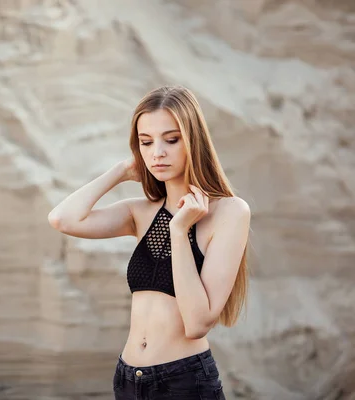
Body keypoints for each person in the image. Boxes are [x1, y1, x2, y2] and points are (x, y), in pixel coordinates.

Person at [47, 85, 251, 400]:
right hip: (128, 380)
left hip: (183, 381)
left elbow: (197, 323)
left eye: (171, 140)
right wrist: (120, 171)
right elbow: (63, 219)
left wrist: (180, 230)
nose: (157, 152)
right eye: (146, 142)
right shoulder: (140, 212)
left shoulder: (229, 212)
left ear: (193, 142)